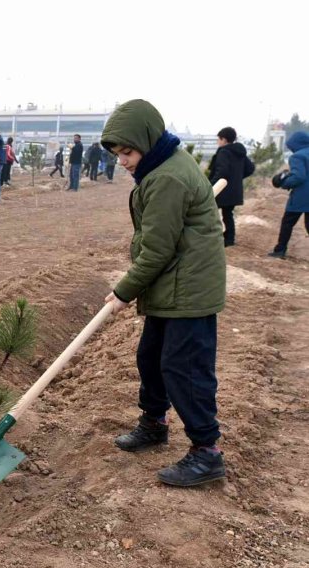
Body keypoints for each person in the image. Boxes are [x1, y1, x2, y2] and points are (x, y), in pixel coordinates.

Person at [102, 99, 227, 487]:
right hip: (171, 283)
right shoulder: (162, 165)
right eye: (116, 153)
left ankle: (207, 453)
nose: (122, 161)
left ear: (148, 140)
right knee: (151, 357)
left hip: (187, 288)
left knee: (184, 369)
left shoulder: (167, 178)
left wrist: (123, 291)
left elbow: (158, 249)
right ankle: (154, 423)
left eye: (127, 151)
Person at [207, 126, 255, 247]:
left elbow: (221, 172)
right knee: (228, 214)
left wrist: (210, 185)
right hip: (234, 190)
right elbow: (250, 169)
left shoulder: (224, 152)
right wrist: (236, 179)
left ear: (224, 139)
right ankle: (229, 239)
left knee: (209, 212)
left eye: (218, 139)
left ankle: (212, 237)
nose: (218, 142)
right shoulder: (240, 152)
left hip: (222, 189)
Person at [268, 131, 309, 259]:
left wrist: (284, 183)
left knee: (287, 222)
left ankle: (280, 250)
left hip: (302, 196)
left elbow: (298, 176)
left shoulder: (297, 156)